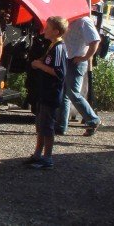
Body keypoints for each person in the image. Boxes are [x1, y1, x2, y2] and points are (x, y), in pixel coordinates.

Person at [25, 16, 68, 170]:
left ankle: (48, 157)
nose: (45, 30)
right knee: (40, 124)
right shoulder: (52, 45)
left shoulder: (59, 48)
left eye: (48, 28)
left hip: (51, 93)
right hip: (43, 91)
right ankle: (38, 154)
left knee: (47, 126)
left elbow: (59, 72)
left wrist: (40, 65)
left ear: (56, 31)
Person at [56, 15, 102, 136]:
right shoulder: (69, 20)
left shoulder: (84, 21)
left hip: (76, 61)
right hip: (67, 59)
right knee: (64, 93)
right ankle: (60, 126)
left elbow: (95, 40)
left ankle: (93, 120)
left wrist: (85, 57)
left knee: (73, 93)